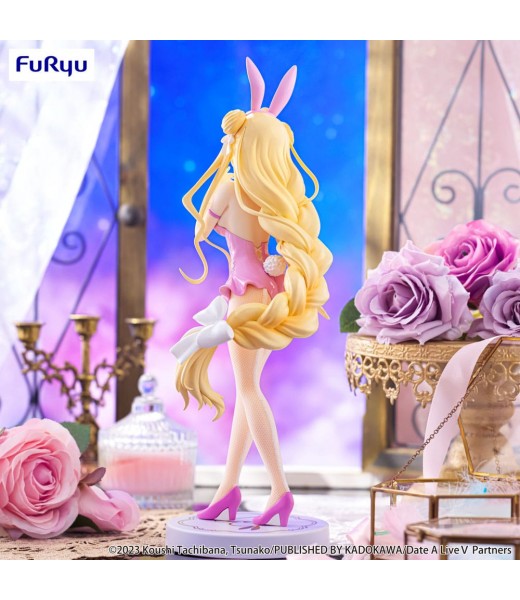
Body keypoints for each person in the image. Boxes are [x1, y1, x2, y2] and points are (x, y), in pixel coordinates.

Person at [171, 58, 332, 526]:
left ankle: (280, 489)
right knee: (250, 390)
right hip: (269, 294)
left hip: (244, 298)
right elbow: (275, 250)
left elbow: (201, 230)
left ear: (243, 145)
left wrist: (222, 162)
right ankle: (228, 488)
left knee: (247, 390)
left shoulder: (228, 189)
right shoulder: (276, 197)